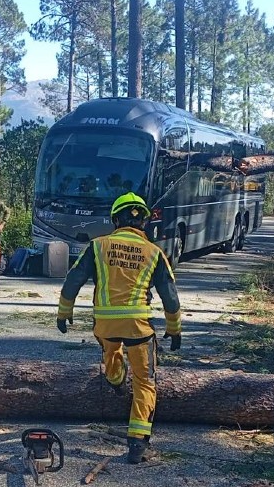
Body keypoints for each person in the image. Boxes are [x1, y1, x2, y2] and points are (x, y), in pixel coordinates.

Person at [55, 192, 182, 464]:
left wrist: (64, 312)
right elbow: (170, 295)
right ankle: (138, 444)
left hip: (105, 324)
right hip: (138, 327)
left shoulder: (98, 246)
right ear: (144, 223)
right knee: (145, 382)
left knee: (111, 351)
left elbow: (73, 279)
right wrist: (174, 327)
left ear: (115, 220)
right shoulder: (154, 252)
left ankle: (114, 378)